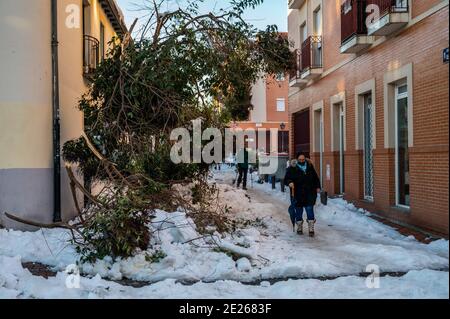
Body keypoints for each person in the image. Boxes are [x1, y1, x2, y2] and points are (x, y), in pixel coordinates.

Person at [284, 153, 321, 236]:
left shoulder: (310, 166)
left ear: (305, 159)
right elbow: (286, 178)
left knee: (309, 209)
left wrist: (318, 186)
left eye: (303, 159)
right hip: (297, 193)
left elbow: (315, 178)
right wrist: (289, 182)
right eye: (300, 160)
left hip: (309, 192)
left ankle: (311, 228)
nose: (301, 161)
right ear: (297, 160)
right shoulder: (292, 168)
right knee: (299, 211)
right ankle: (299, 226)